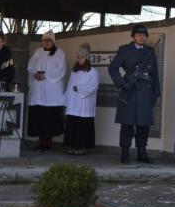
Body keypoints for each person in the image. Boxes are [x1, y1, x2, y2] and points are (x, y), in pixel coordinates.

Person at [108, 24, 161, 164]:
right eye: (138, 35)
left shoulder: (150, 52)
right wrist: (122, 83)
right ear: (133, 36)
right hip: (129, 92)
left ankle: (141, 152)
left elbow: (155, 74)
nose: (141, 37)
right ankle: (125, 153)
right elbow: (113, 69)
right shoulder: (125, 50)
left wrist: (156, 92)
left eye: (144, 35)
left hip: (145, 92)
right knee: (127, 124)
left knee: (143, 126)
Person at [26, 31, 66, 152]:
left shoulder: (59, 53)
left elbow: (61, 70)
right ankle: (40, 142)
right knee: (39, 117)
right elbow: (30, 66)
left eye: (49, 40)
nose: (47, 43)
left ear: (53, 41)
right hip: (38, 90)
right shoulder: (38, 52)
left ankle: (47, 143)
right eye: (44, 40)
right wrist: (35, 74)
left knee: (49, 118)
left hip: (51, 92)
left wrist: (45, 76)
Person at [63, 43, 99, 155]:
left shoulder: (92, 72)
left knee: (83, 126)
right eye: (78, 57)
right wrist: (66, 101)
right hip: (74, 104)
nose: (79, 59)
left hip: (84, 104)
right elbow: (69, 86)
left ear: (87, 58)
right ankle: (73, 146)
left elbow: (93, 86)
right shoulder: (74, 72)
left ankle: (82, 147)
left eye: (82, 57)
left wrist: (79, 88)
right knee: (73, 125)